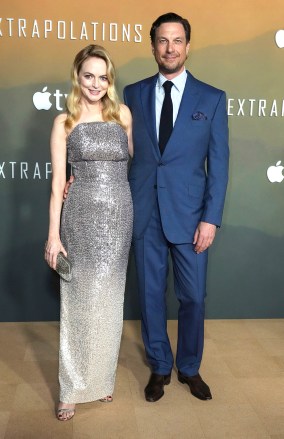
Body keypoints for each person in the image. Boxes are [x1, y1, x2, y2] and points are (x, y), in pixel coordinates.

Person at [123, 12, 229, 402]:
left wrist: (210, 219)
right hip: (145, 211)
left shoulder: (212, 98)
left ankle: (189, 367)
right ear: (153, 47)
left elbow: (219, 166)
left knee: (193, 298)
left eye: (177, 40)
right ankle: (159, 367)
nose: (170, 48)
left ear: (188, 45)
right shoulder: (132, 93)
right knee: (151, 297)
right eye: (163, 41)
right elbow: (121, 151)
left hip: (191, 217)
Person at [45, 44, 133, 421]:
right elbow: (57, 184)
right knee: (79, 302)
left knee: (110, 300)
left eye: (102, 76)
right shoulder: (64, 121)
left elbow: (131, 164)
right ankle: (72, 387)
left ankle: (100, 380)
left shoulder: (123, 115)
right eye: (88, 76)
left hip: (119, 217)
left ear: (109, 80)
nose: (95, 83)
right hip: (80, 217)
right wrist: (53, 236)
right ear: (77, 77)